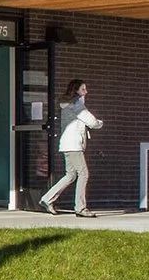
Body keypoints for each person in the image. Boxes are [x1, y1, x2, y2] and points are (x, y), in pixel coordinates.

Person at [38, 79, 102, 216]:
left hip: (67, 144)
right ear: (76, 90)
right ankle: (80, 208)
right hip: (74, 145)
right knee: (83, 173)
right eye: (83, 89)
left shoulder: (69, 104)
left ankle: (47, 199)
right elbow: (92, 122)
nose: (86, 92)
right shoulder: (76, 105)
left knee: (71, 175)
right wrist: (99, 123)